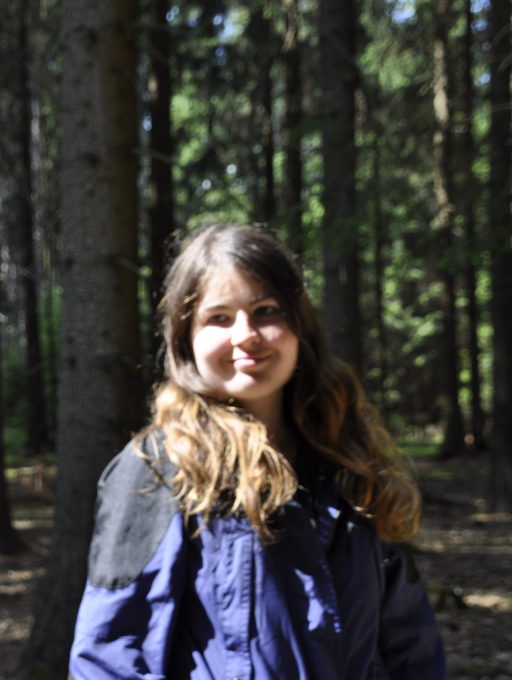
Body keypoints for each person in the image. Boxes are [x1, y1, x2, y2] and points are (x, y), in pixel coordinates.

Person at [69, 224, 445, 679]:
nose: (245, 335)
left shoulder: (351, 459)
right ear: (186, 337)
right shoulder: (159, 467)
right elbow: (109, 656)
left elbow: (410, 643)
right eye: (219, 318)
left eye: (266, 311)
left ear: (299, 325)